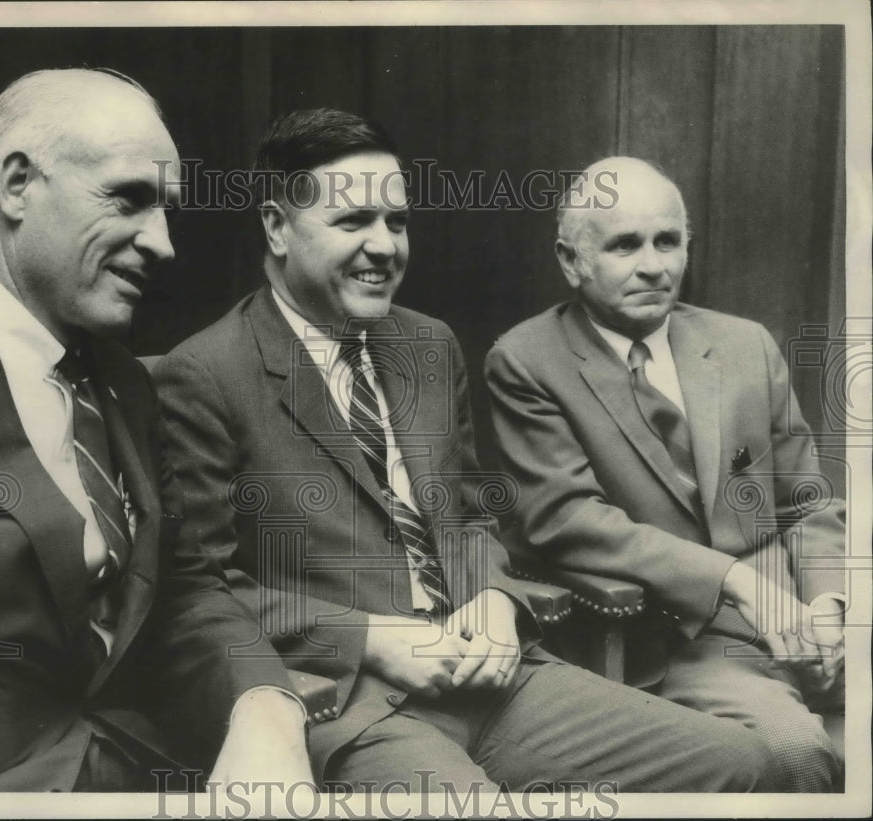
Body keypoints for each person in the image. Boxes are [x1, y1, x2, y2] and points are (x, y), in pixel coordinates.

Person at [155, 109, 782, 793]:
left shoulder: (427, 344)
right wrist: (372, 637)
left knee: (746, 765)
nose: (384, 246)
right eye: (352, 221)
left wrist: (493, 600)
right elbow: (199, 594)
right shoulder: (205, 373)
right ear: (276, 227)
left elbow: (468, 522)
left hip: (493, 676)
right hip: (353, 701)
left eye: (396, 222)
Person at [0, 68, 313, 792]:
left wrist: (265, 707)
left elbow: (185, 586)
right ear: (17, 185)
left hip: (142, 764)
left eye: (169, 212)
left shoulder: (125, 382)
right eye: (129, 199)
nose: (163, 244)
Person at [485, 156, 846, 792]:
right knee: (797, 757)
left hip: (800, 613)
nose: (654, 265)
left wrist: (828, 606)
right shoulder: (526, 362)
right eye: (625, 245)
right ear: (572, 261)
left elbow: (807, 502)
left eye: (668, 241)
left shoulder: (744, 344)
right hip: (680, 637)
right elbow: (566, 520)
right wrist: (731, 580)